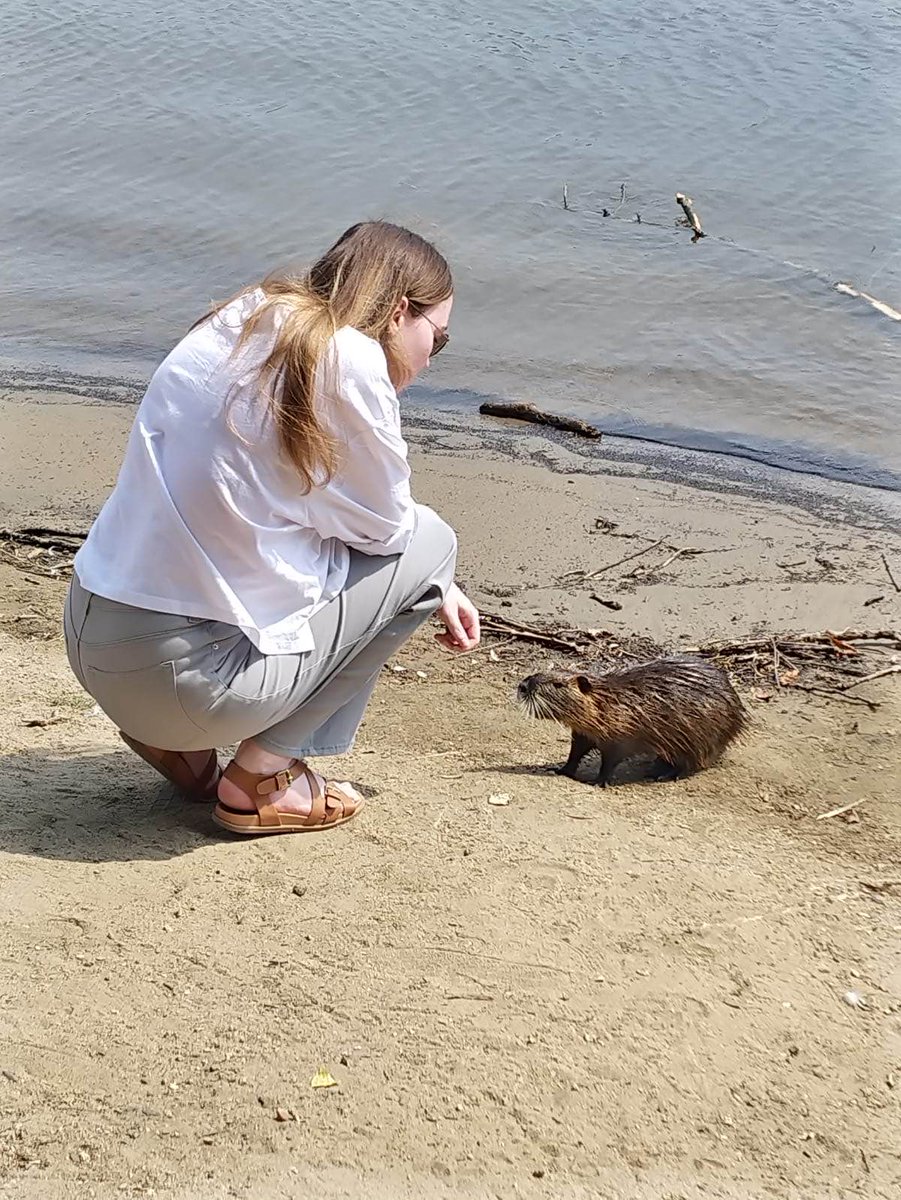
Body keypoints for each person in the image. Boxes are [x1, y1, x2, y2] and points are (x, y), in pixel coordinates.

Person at [64, 221, 480, 836]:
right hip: (181, 682)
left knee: (404, 553)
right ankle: (262, 779)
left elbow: (252, 496)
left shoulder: (244, 317)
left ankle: (180, 750)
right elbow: (392, 532)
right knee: (433, 540)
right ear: (399, 312)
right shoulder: (350, 357)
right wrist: (437, 580)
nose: (429, 356)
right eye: (437, 338)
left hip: (89, 638)